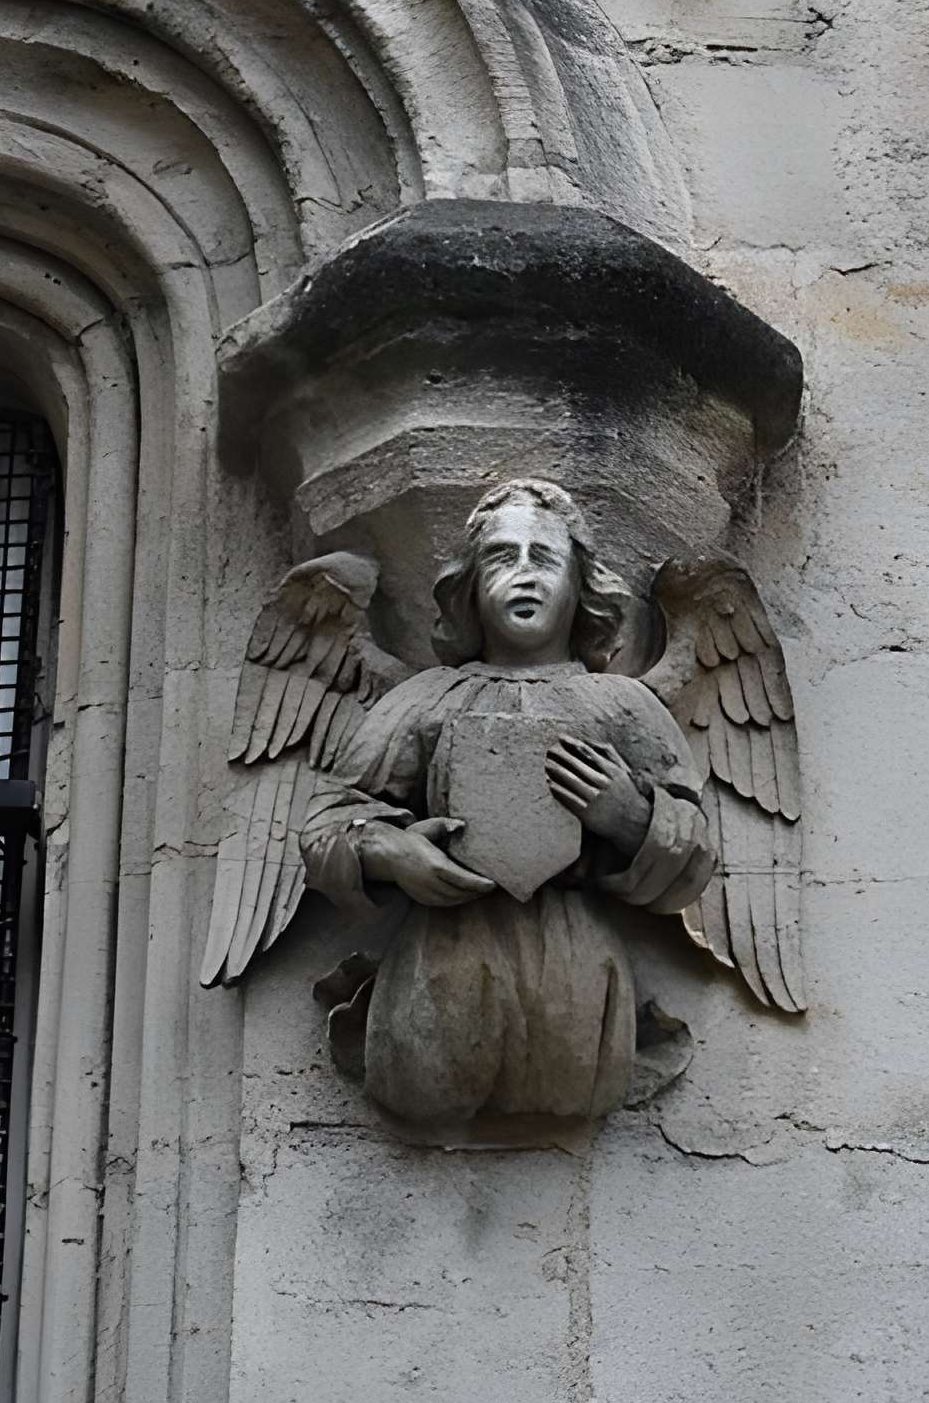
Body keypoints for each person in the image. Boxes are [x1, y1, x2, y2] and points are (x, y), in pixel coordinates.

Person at [301, 478, 715, 1123]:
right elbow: (329, 822)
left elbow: (694, 849)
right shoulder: (427, 697)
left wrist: (629, 816)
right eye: (500, 557)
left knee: (570, 1083)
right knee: (433, 1081)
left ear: (580, 586)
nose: (523, 575)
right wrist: (392, 850)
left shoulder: (621, 704)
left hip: (572, 956)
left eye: (544, 558)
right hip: (447, 953)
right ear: (468, 587)